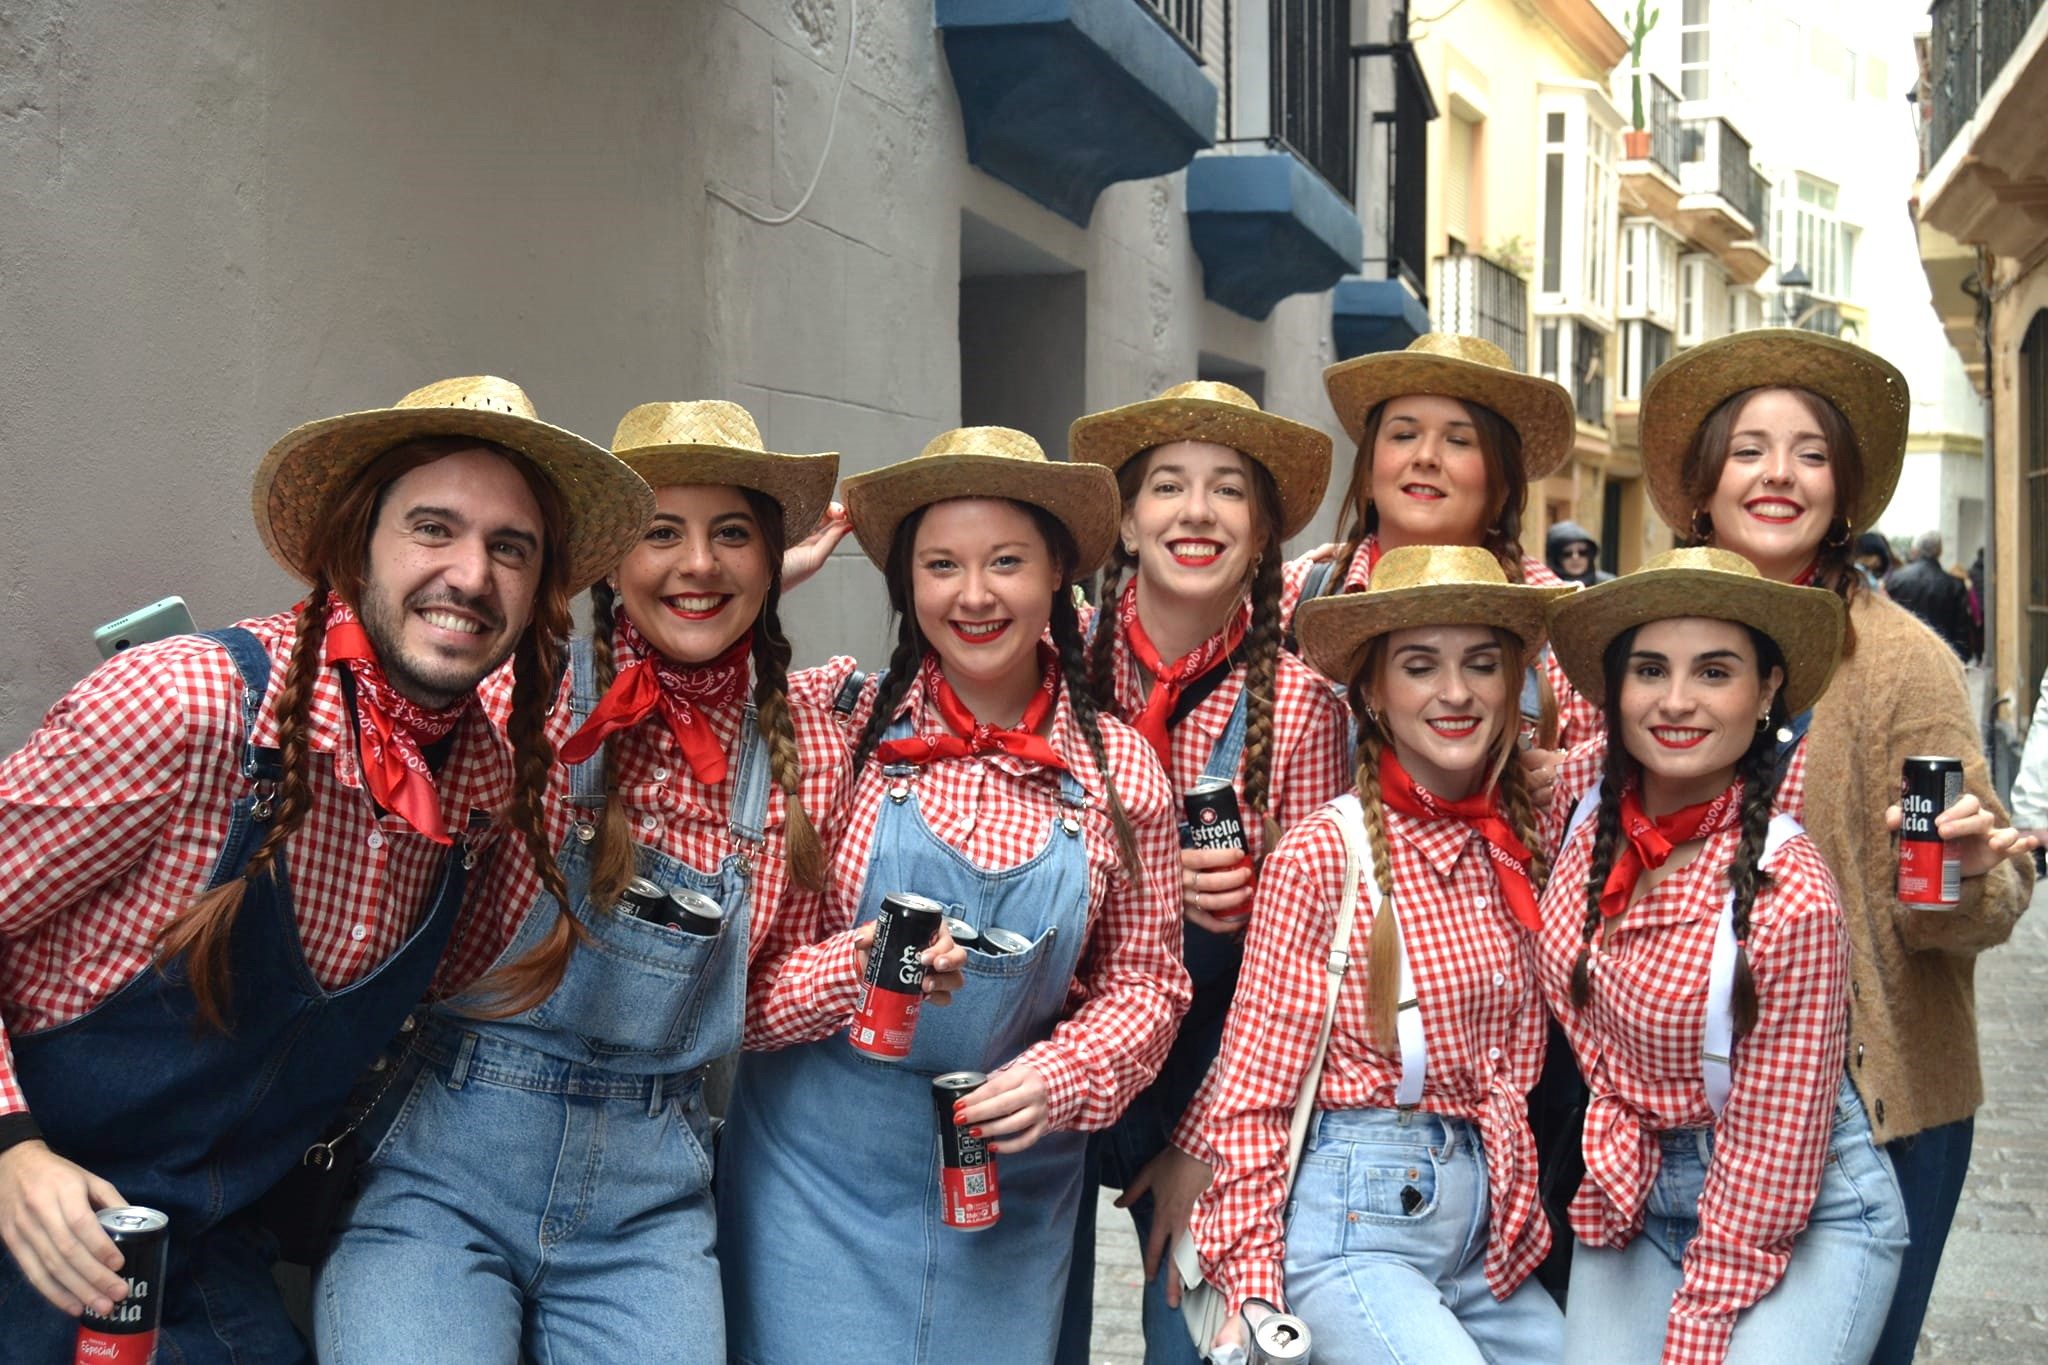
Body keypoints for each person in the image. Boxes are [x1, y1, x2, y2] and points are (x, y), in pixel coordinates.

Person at [0, 377, 651, 1362]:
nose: (471, 575)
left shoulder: (485, 796)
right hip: (24, 1212)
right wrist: (11, 1150)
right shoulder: (188, 709)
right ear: (355, 545)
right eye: (433, 529)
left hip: (194, 1254)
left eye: (511, 548)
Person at [314, 400, 858, 1359]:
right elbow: (382, 661)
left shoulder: (807, 746)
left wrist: (860, 967)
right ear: (605, 560)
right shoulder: (510, 683)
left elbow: (755, 997)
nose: (699, 563)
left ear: (774, 558)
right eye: (662, 533)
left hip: (651, 1200)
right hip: (446, 1164)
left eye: (733, 535)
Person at [717, 426, 1189, 1365]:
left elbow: (1148, 986)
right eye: (941, 565)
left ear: (1057, 572)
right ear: (907, 583)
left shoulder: (1122, 770)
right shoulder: (835, 726)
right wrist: (851, 972)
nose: (974, 595)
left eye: (1006, 561)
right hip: (814, 1186)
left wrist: (1060, 1076)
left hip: (1007, 1199)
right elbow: (742, 992)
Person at [1638, 329, 2037, 1363]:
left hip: (1867, 1114)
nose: (1778, 474)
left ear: (1842, 489)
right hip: (1670, 1116)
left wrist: (1965, 874)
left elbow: (1968, 892)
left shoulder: (1904, 663)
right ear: (1702, 485)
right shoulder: (1638, 642)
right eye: (1749, 449)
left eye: (1809, 453)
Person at [1192, 545, 1569, 1363]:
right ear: (1372, 691)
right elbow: (1253, 1094)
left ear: (1512, 683)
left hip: (1488, 1245)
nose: (1456, 692)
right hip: (1354, 1230)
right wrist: (1253, 1288)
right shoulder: (1326, 853)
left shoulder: (1524, 844)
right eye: (1420, 666)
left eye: (1482, 664)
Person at [1539, 546, 1907, 1362]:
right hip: (1634, 1182)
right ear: (1616, 687)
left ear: (1768, 688)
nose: (1676, 701)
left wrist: (1696, 1334)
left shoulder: (1793, 896)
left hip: (1796, 1201)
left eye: (1714, 671)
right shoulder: (1584, 795)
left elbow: (1769, 1166)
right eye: (1649, 669)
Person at [1061, 382, 1352, 1361]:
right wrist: (1137, 881)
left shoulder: (1301, 707)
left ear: (1262, 533)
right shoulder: (1056, 662)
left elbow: (1301, 974)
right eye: (1167, 487)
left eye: (1228, 490)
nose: (1196, 511)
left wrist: (1209, 1142)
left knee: (1193, 1345)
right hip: (1054, 1051)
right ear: (1126, 523)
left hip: (1210, 1075)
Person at [1284, 332, 1598, 756]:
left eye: (1458, 440)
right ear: (1367, 474)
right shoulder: (1292, 597)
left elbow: (1604, 780)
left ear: (1503, 486)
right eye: (1403, 435)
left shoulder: (1563, 624)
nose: (1426, 457)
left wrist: (1564, 780)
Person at [1883, 530, 1972, 661]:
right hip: (1941, 658)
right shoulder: (1954, 585)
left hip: (1903, 655)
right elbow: (1961, 630)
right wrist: (1961, 661)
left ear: (1916, 550)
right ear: (1940, 551)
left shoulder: (1896, 579)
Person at [1546, 520, 1613, 586]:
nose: (1575, 557)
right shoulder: (1547, 586)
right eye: (1567, 553)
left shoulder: (1608, 584)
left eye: (1582, 552)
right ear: (1556, 559)